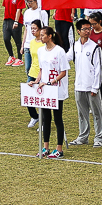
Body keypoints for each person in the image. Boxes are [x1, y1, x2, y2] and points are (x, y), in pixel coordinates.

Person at [34, 26, 70, 158]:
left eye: (43, 35)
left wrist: (51, 82)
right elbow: (42, 69)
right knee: (46, 119)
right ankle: (45, 147)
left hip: (57, 90)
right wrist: (36, 81)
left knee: (57, 118)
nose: (41, 37)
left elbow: (63, 72)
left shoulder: (59, 51)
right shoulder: (40, 51)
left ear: (50, 36)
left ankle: (59, 149)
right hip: (45, 90)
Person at [69, 19, 102, 147]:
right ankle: (83, 136)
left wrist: (95, 87)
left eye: (89, 28)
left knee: (97, 113)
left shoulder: (95, 47)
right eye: (84, 29)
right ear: (78, 31)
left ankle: (99, 137)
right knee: (82, 113)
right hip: (79, 85)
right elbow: (66, 58)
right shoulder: (75, 46)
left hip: (91, 86)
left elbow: (98, 69)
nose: (88, 31)